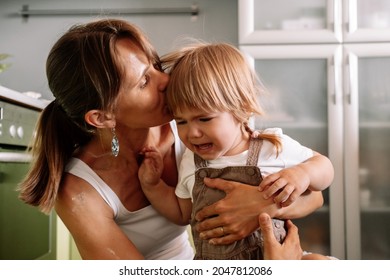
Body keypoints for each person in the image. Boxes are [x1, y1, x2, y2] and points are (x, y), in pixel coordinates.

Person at [17, 18, 327, 260]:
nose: (166, 80)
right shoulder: (79, 191)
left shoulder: (192, 131)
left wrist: (261, 207)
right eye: (144, 82)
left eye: (154, 64)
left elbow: (314, 195)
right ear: (102, 117)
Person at [138, 42, 334, 259]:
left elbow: (324, 167)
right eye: (181, 121)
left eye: (205, 119)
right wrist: (153, 186)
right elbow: (183, 213)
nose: (192, 133)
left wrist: (302, 174)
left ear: (241, 109)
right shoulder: (190, 161)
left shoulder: (271, 147)